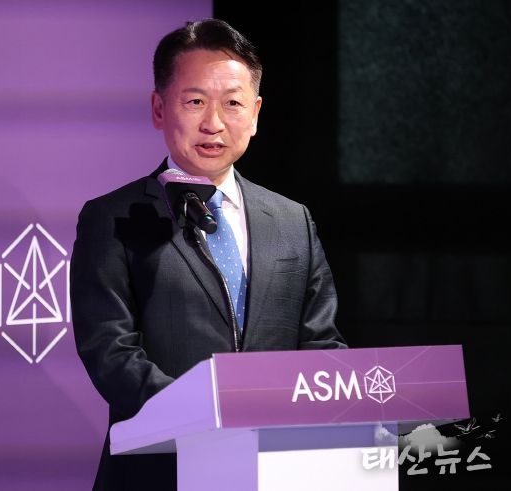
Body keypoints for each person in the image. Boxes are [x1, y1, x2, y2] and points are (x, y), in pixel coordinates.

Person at [70, 18, 347, 490]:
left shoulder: (292, 220)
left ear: (255, 114)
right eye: (195, 101)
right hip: (161, 470)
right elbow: (111, 353)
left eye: (232, 103)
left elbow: (321, 347)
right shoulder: (111, 217)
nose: (213, 123)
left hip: (274, 471)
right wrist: (207, 419)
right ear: (159, 109)